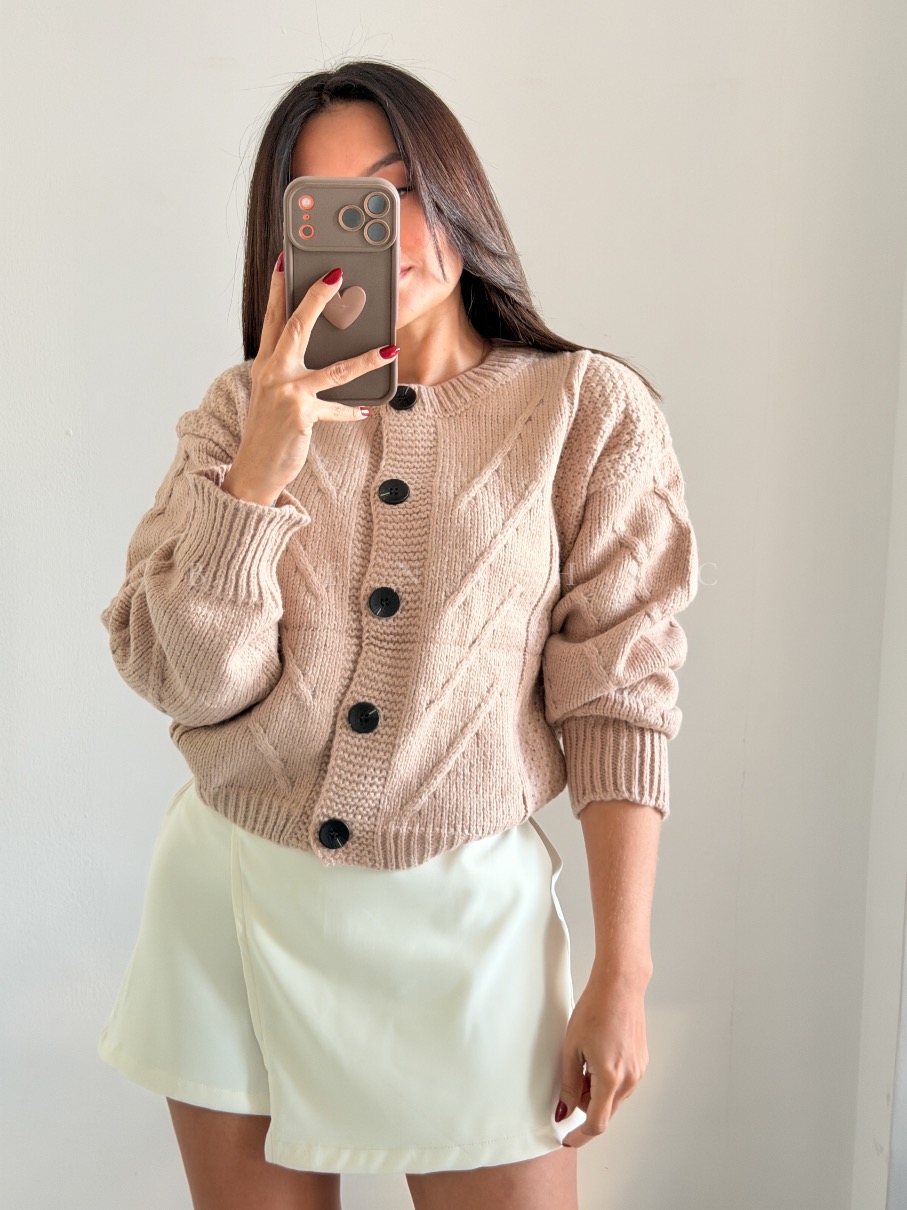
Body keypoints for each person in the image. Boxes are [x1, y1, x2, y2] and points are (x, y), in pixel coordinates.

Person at [97, 59, 699, 1210]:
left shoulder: (585, 411)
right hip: (234, 900)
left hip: (467, 924)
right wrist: (257, 477)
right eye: (331, 207)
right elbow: (185, 679)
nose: (380, 232)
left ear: (458, 191)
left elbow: (619, 698)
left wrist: (621, 970)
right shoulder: (240, 413)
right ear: (287, 241)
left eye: (398, 190)